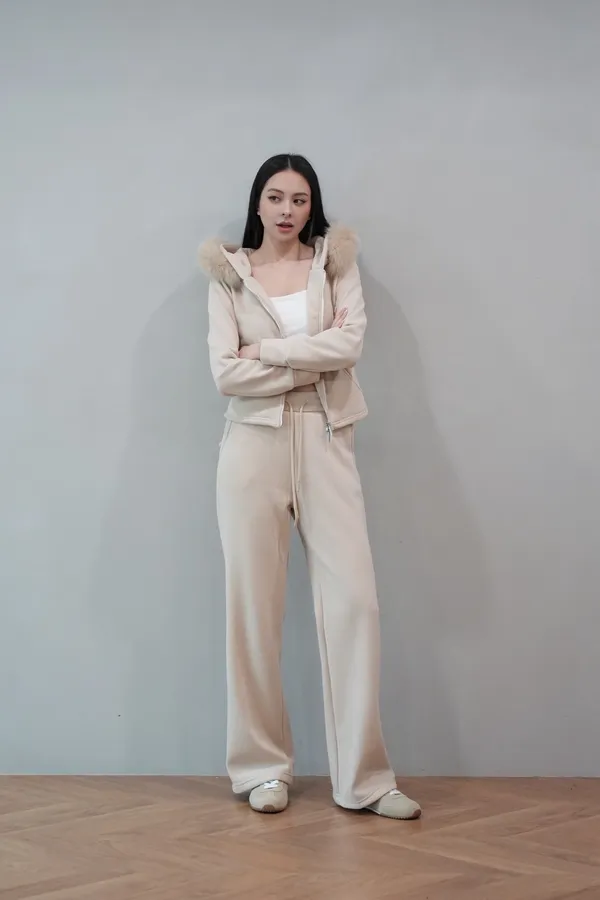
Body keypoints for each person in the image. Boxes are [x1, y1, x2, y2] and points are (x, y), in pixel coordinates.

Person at [198, 153, 421, 820]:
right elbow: (224, 374)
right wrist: (307, 361)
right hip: (252, 446)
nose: (288, 210)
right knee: (252, 610)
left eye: (299, 199)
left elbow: (348, 346)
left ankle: (366, 780)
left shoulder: (335, 265)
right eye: (276, 197)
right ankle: (260, 768)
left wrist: (266, 353)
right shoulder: (228, 275)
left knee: (355, 606)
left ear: (311, 206)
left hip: (327, 438)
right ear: (258, 203)